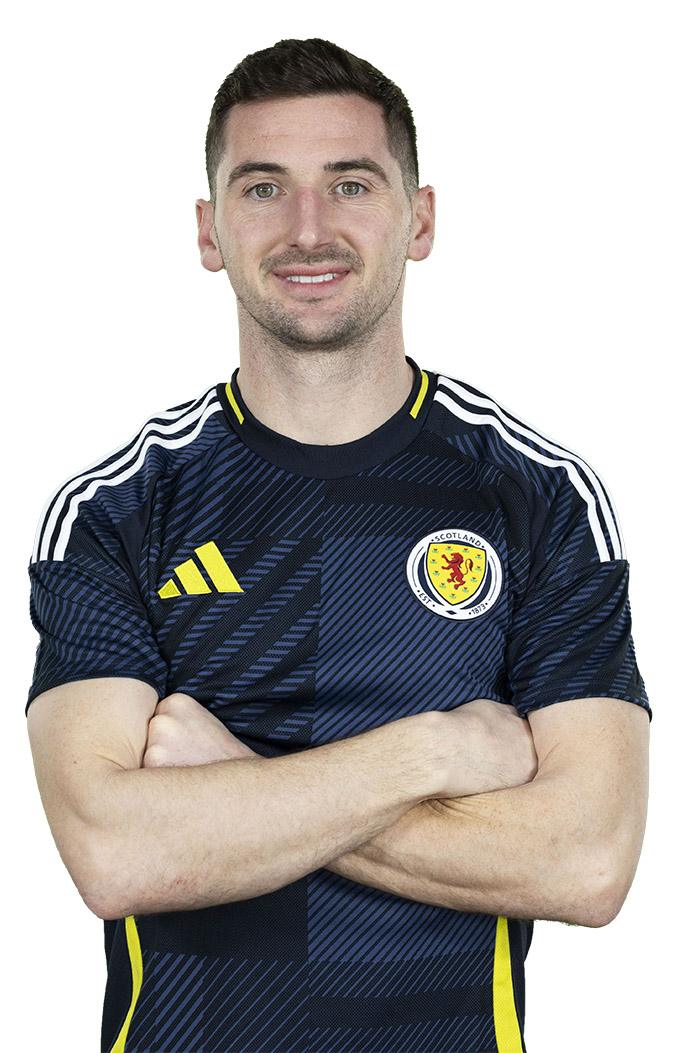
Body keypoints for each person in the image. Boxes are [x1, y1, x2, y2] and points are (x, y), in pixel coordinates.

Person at [25, 37, 651, 1053]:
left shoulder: (539, 496)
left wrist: (232, 780)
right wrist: (432, 752)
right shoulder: (116, 510)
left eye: (350, 184)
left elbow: (585, 864)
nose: (307, 228)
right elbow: (115, 854)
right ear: (209, 231)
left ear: (420, 219)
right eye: (263, 188)